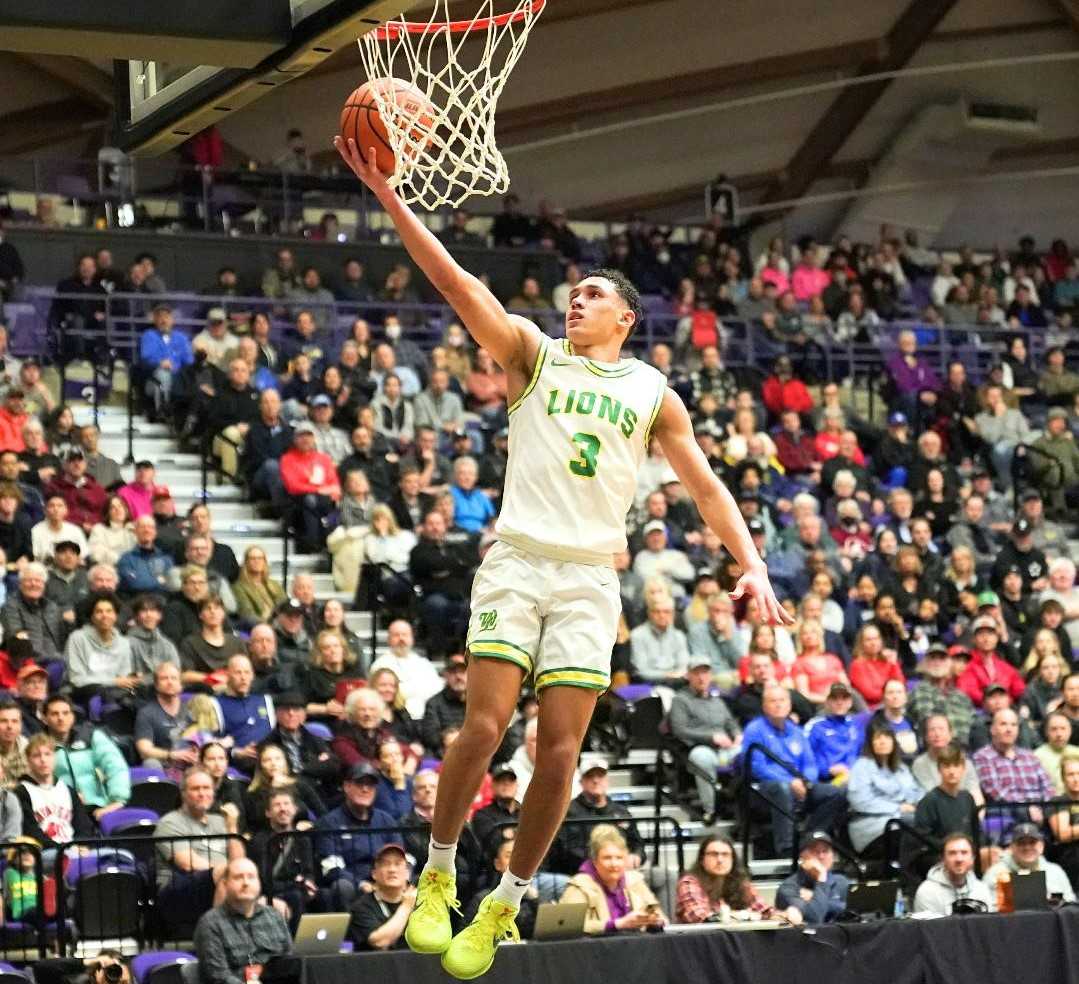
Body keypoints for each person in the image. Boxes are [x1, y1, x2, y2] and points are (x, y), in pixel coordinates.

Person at [335, 133, 788, 979]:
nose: (572, 303)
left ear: (625, 318)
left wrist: (751, 561)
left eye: (589, 297)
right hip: (516, 560)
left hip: (588, 577)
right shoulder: (532, 355)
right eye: (570, 294)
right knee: (481, 724)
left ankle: (503, 902)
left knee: (559, 754)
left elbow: (707, 487)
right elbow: (454, 282)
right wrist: (391, 197)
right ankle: (437, 878)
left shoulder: (654, 393)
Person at [741, 685, 846, 856]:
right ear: (764, 706)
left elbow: (810, 764)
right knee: (782, 789)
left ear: (789, 704)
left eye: (782, 700)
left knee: (835, 793)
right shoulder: (754, 730)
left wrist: (806, 782)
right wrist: (790, 782)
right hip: (765, 787)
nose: (778, 705)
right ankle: (786, 848)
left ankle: (809, 838)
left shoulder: (797, 731)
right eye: (773, 701)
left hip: (800, 783)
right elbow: (757, 767)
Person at [157, 767, 246, 932]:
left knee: (275, 903)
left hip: (220, 882)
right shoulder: (170, 822)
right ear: (183, 793)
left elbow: (239, 861)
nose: (202, 793)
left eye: (206, 788)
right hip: (177, 890)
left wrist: (232, 826)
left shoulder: (220, 821)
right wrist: (227, 871)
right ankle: (218, 936)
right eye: (195, 789)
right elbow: (187, 864)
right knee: (229, 873)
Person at [314, 762, 403, 909]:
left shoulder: (386, 820)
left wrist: (396, 878)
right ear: (346, 786)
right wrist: (361, 884)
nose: (365, 789)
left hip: (385, 878)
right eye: (359, 783)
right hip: (352, 883)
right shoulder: (329, 823)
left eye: (370, 785)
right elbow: (330, 867)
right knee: (342, 886)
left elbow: (402, 856)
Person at [193, 857, 296, 984]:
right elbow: (219, 977)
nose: (246, 882)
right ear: (225, 884)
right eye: (238, 877)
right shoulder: (210, 923)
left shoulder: (274, 916)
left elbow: (290, 961)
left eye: (251, 877)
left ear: (258, 883)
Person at [668, 659, 742, 821]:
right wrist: (711, 737)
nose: (701, 678)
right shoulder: (680, 700)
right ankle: (711, 809)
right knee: (701, 757)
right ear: (688, 676)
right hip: (699, 747)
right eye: (696, 673)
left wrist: (737, 735)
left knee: (747, 754)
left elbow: (731, 723)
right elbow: (679, 730)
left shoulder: (717, 700)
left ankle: (740, 806)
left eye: (705, 673)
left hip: (726, 749)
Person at [559, 824, 665, 935]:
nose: (614, 864)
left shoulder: (635, 880)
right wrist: (618, 924)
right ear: (594, 861)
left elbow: (659, 916)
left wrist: (655, 921)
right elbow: (568, 926)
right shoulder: (580, 885)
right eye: (607, 858)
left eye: (619, 858)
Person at [554, 755, 644, 876]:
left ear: (607, 780)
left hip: (622, 870)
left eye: (600, 776)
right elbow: (568, 851)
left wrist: (636, 856)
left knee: (662, 875)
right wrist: (602, 864)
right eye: (590, 776)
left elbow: (637, 843)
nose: (596, 780)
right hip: (583, 873)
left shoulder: (621, 811)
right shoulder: (569, 812)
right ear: (581, 782)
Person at [45, 694, 129, 819]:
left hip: (96, 806)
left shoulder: (90, 736)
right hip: (58, 810)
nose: (61, 718)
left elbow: (115, 766)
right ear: (45, 718)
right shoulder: (40, 745)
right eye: (54, 714)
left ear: (73, 717)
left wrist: (117, 800)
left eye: (66, 713)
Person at [846, 721, 923, 854]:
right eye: (877, 738)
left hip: (903, 821)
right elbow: (860, 801)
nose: (883, 742)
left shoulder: (901, 768)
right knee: (915, 827)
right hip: (873, 828)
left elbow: (916, 791)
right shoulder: (861, 766)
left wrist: (924, 804)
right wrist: (898, 808)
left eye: (887, 737)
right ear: (870, 743)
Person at [675, 832, 784, 923]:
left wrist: (784, 916)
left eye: (725, 854)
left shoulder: (741, 883)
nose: (720, 860)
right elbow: (699, 917)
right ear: (702, 860)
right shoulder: (689, 882)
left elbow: (764, 911)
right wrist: (744, 916)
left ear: (733, 859)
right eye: (713, 854)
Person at [982, 821, 1075, 904]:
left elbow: (1070, 903)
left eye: (1032, 842)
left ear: (1041, 846)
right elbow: (988, 908)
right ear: (1012, 847)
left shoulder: (1055, 871)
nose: (1027, 847)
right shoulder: (995, 873)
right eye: (1021, 843)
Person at [348, 842, 416, 951]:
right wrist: (406, 907)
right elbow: (379, 942)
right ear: (374, 874)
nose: (392, 870)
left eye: (398, 864)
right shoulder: (361, 907)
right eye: (385, 864)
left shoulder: (420, 903)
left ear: (407, 873)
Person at [134, 661, 198, 775]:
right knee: (150, 763)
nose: (170, 682)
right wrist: (171, 754)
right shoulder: (146, 713)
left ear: (180, 684)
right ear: (156, 684)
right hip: (164, 765)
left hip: (191, 763)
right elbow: (144, 750)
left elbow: (205, 738)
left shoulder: (192, 708)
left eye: (174, 678)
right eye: (164, 678)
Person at [774, 831, 849, 925]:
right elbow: (814, 918)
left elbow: (855, 913)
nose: (821, 856)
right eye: (815, 852)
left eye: (825, 851)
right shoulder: (789, 887)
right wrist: (821, 878)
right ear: (802, 856)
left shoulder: (841, 882)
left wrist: (815, 899)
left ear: (833, 855)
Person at [913, 742, 979, 851]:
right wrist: (949, 849)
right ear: (939, 769)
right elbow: (922, 837)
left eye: (956, 766)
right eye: (947, 766)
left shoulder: (968, 798)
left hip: (967, 854)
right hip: (939, 855)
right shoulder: (929, 801)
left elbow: (977, 831)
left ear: (963, 769)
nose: (952, 771)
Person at [913, 833, 993, 915]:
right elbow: (930, 927)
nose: (959, 859)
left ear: (973, 858)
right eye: (952, 853)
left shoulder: (981, 889)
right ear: (943, 859)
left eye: (964, 852)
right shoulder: (927, 892)